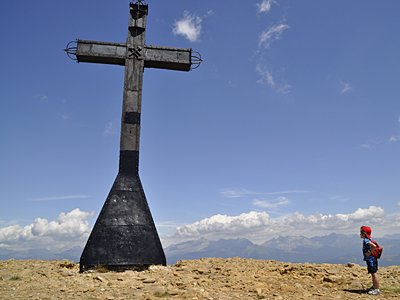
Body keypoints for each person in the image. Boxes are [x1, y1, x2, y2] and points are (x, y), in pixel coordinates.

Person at [360, 226, 380, 295]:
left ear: (364, 233)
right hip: (372, 259)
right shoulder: (368, 239)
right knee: (373, 273)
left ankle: (377, 290)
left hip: (371, 260)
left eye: (361, 233)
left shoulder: (366, 240)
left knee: (374, 274)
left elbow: (373, 246)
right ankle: (374, 287)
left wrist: (369, 253)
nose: (360, 234)